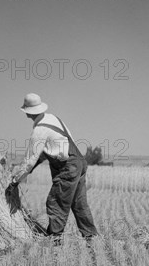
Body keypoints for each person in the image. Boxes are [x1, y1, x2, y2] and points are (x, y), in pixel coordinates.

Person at [11, 93, 98, 245]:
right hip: (79, 162)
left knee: (55, 201)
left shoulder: (39, 131)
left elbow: (29, 161)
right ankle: (92, 237)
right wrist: (30, 170)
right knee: (79, 203)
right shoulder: (53, 118)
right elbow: (47, 153)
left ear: (27, 112)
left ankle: (54, 239)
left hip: (67, 167)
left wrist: (15, 180)